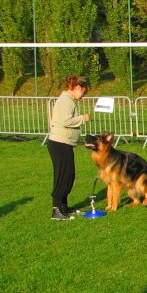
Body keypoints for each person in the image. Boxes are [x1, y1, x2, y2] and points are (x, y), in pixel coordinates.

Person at [47, 75, 90, 220]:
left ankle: (64, 206)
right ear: (78, 88)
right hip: (60, 143)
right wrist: (82, 118)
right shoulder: (66, 101)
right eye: (84, 92)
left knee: (68, 175)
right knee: (62, 176)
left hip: (65, 143)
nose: (83, 96)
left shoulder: (69, 100)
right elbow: (65, 121)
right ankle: (56, 209)